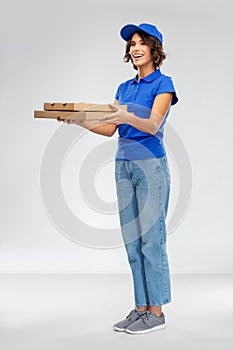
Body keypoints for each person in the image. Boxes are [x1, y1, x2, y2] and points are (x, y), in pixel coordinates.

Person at [58, 22, 178, 334]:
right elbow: (111, 129)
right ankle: (140, 308)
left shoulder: (163, 85)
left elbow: (153, 125)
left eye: (141, 43)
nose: (135, 48)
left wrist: (126, 116)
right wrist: (77, 120)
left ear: (154, 49)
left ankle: (157, 312)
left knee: (153, 241)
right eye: (132, 44)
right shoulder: (124, 88)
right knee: (132, 242)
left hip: (151, 167)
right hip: (123, 166)